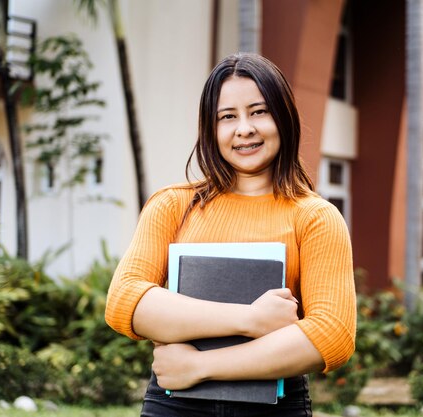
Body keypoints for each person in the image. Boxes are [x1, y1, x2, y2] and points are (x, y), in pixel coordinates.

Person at [105, 52, 356, 417]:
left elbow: (332, 335)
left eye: (259, 112)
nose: (244, 129)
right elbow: (125, 302)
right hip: (175, 406)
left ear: (283, 118)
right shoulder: (173, 205)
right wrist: (250, 319)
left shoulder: (316, 217)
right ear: (211, 127)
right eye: (228, 117)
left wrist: (201, 367)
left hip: (274, 407)